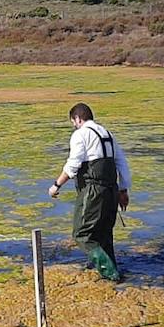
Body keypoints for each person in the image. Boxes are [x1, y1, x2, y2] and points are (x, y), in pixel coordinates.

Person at [48, 102, 131, 281]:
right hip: (112, 190)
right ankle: (108, 270)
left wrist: (56, 185)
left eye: (73, 122)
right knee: (104, 233)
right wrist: (123, 191)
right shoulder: (108, 134)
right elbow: (122, 163)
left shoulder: (80, 135)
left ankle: (110, 272)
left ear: (78, 118)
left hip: (93, 191)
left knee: (82, 233)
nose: (74, 125)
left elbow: (73, 166)